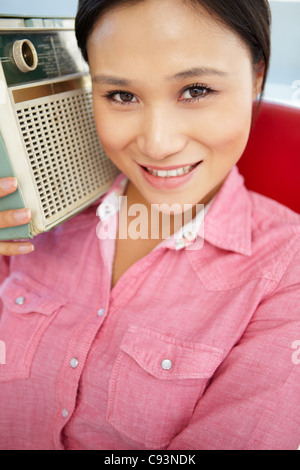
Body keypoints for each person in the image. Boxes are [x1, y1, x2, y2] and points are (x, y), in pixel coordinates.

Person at [0, 0, 299, 451]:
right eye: (121, 95)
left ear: (257, 75)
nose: (158, 144)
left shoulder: (287, 272)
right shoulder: (30, 215)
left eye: (196, 90)